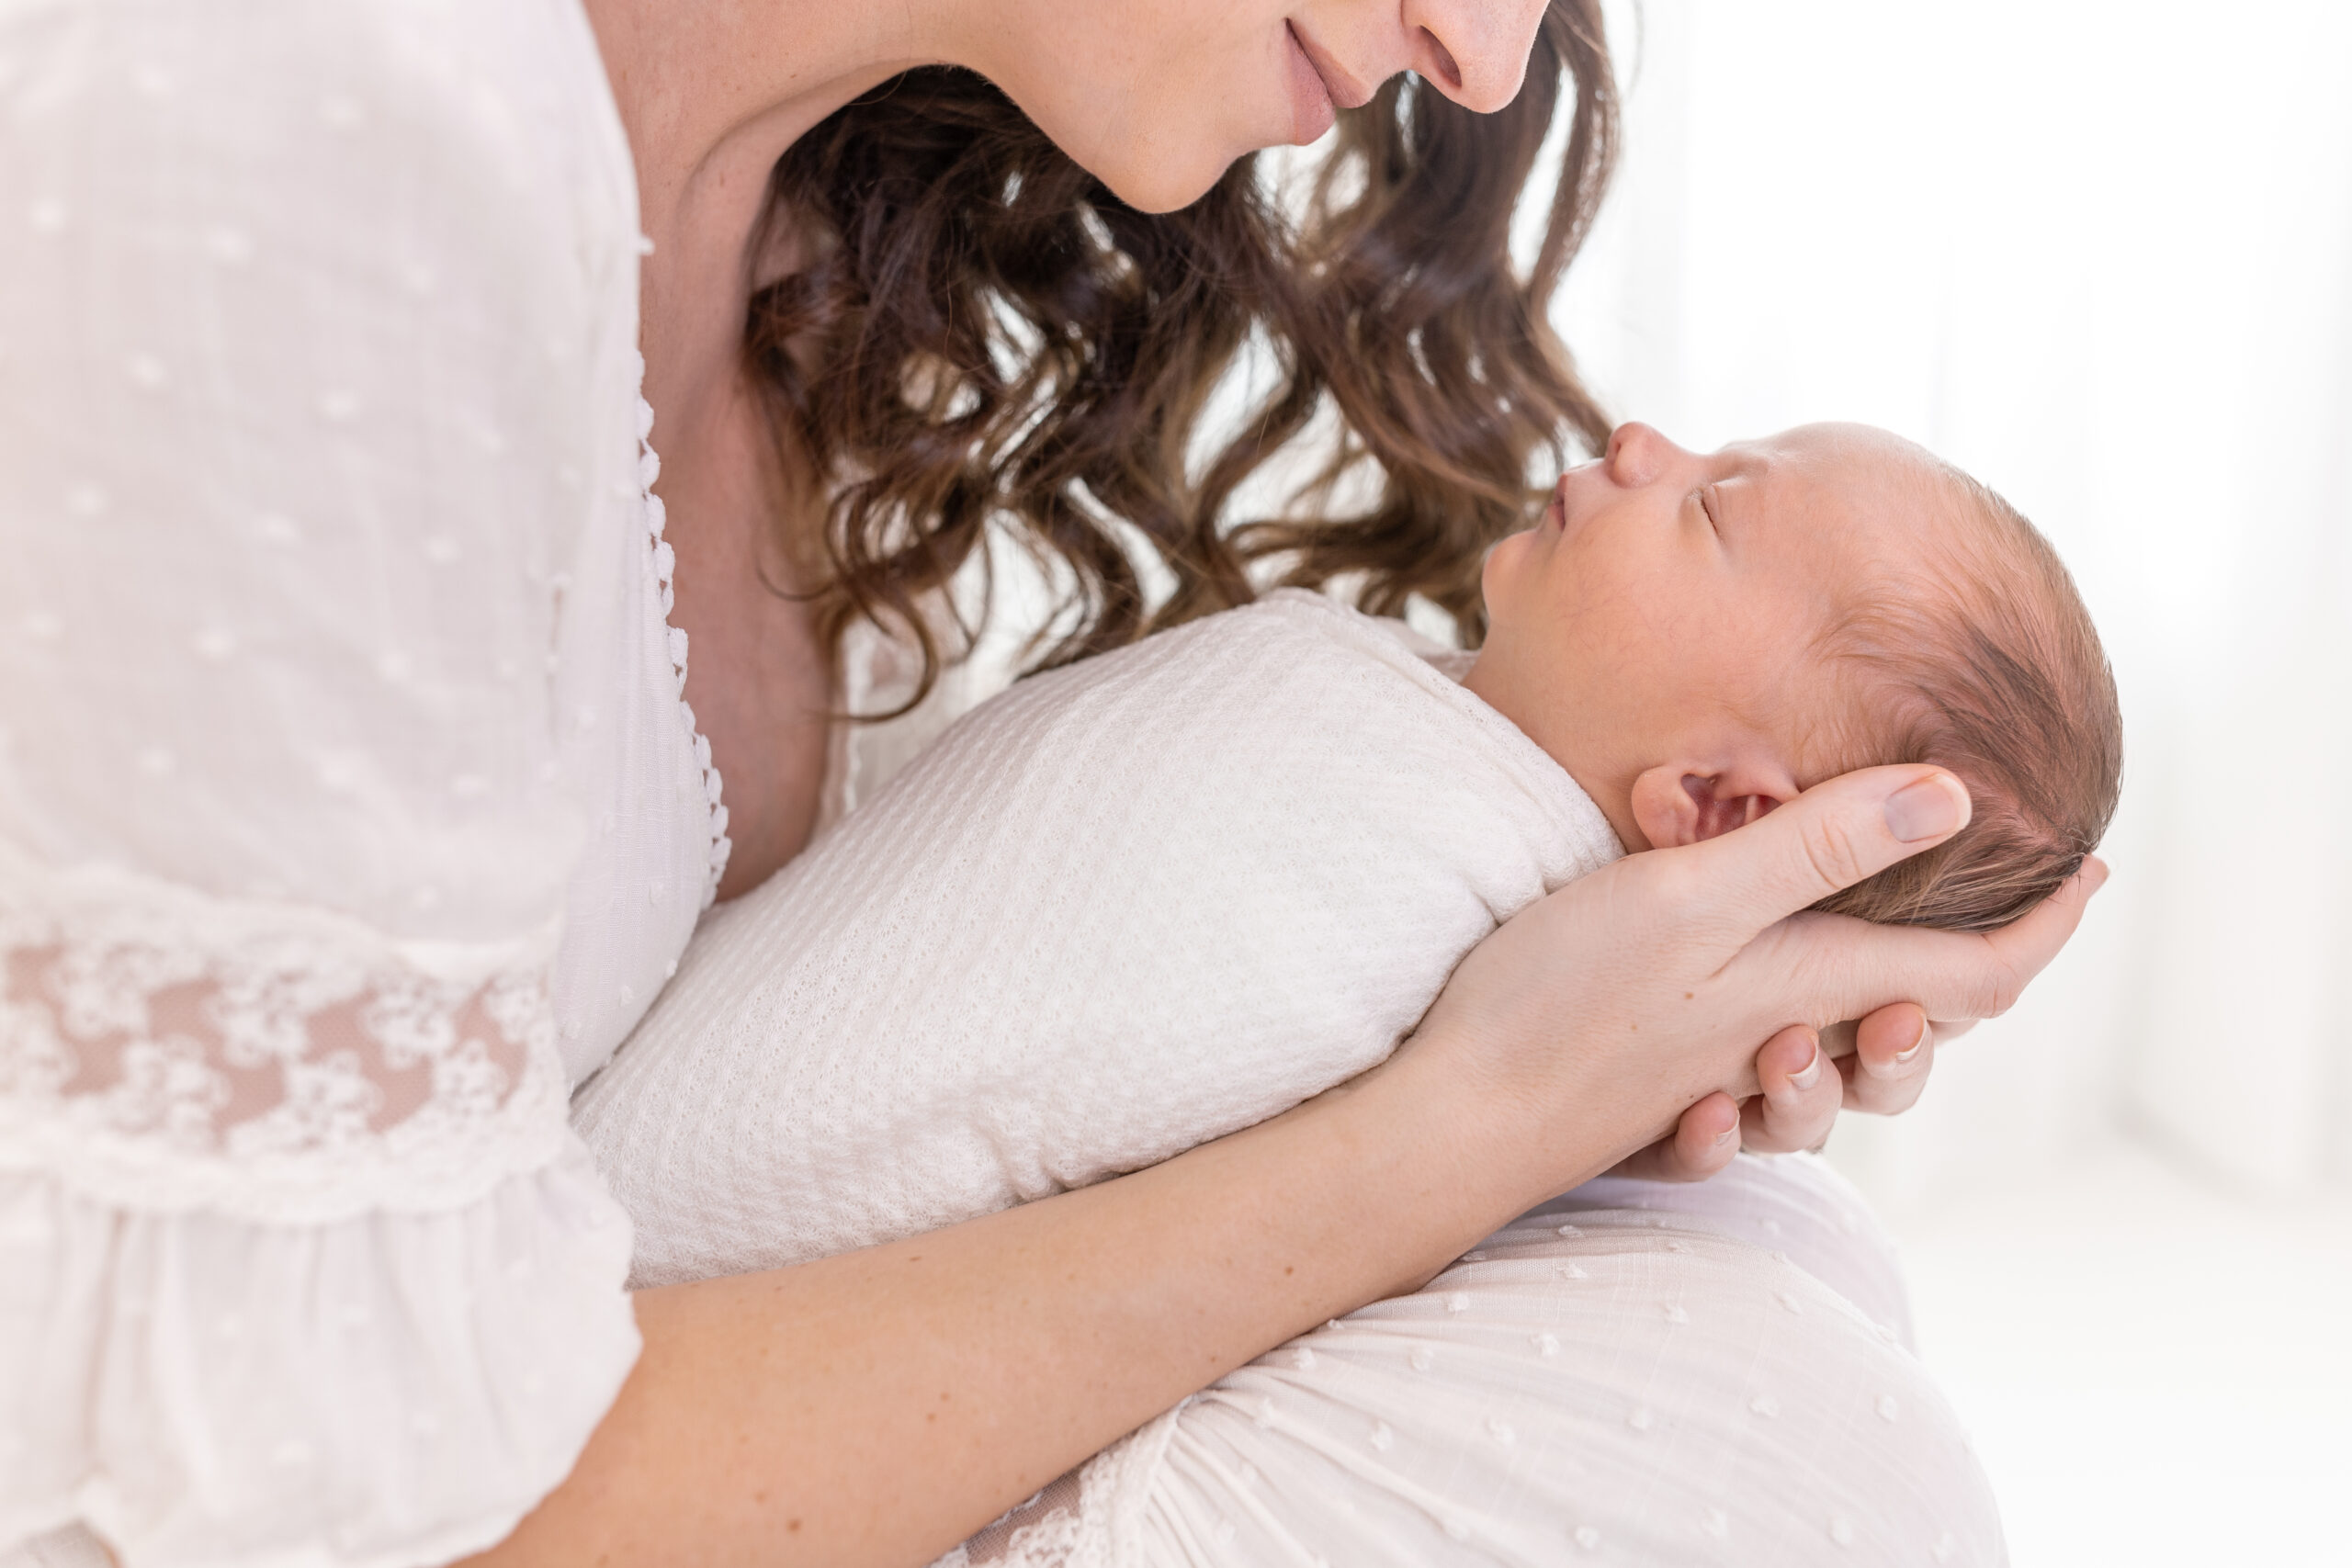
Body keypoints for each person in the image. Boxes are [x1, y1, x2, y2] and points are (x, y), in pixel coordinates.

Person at [0, 4, 2099, 1567]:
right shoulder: (297, 143)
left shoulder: (818, 217)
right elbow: (348, 1506)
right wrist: (1464, 1126)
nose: (1474, 56)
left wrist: (1632, 1067)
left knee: (1784, 1341)